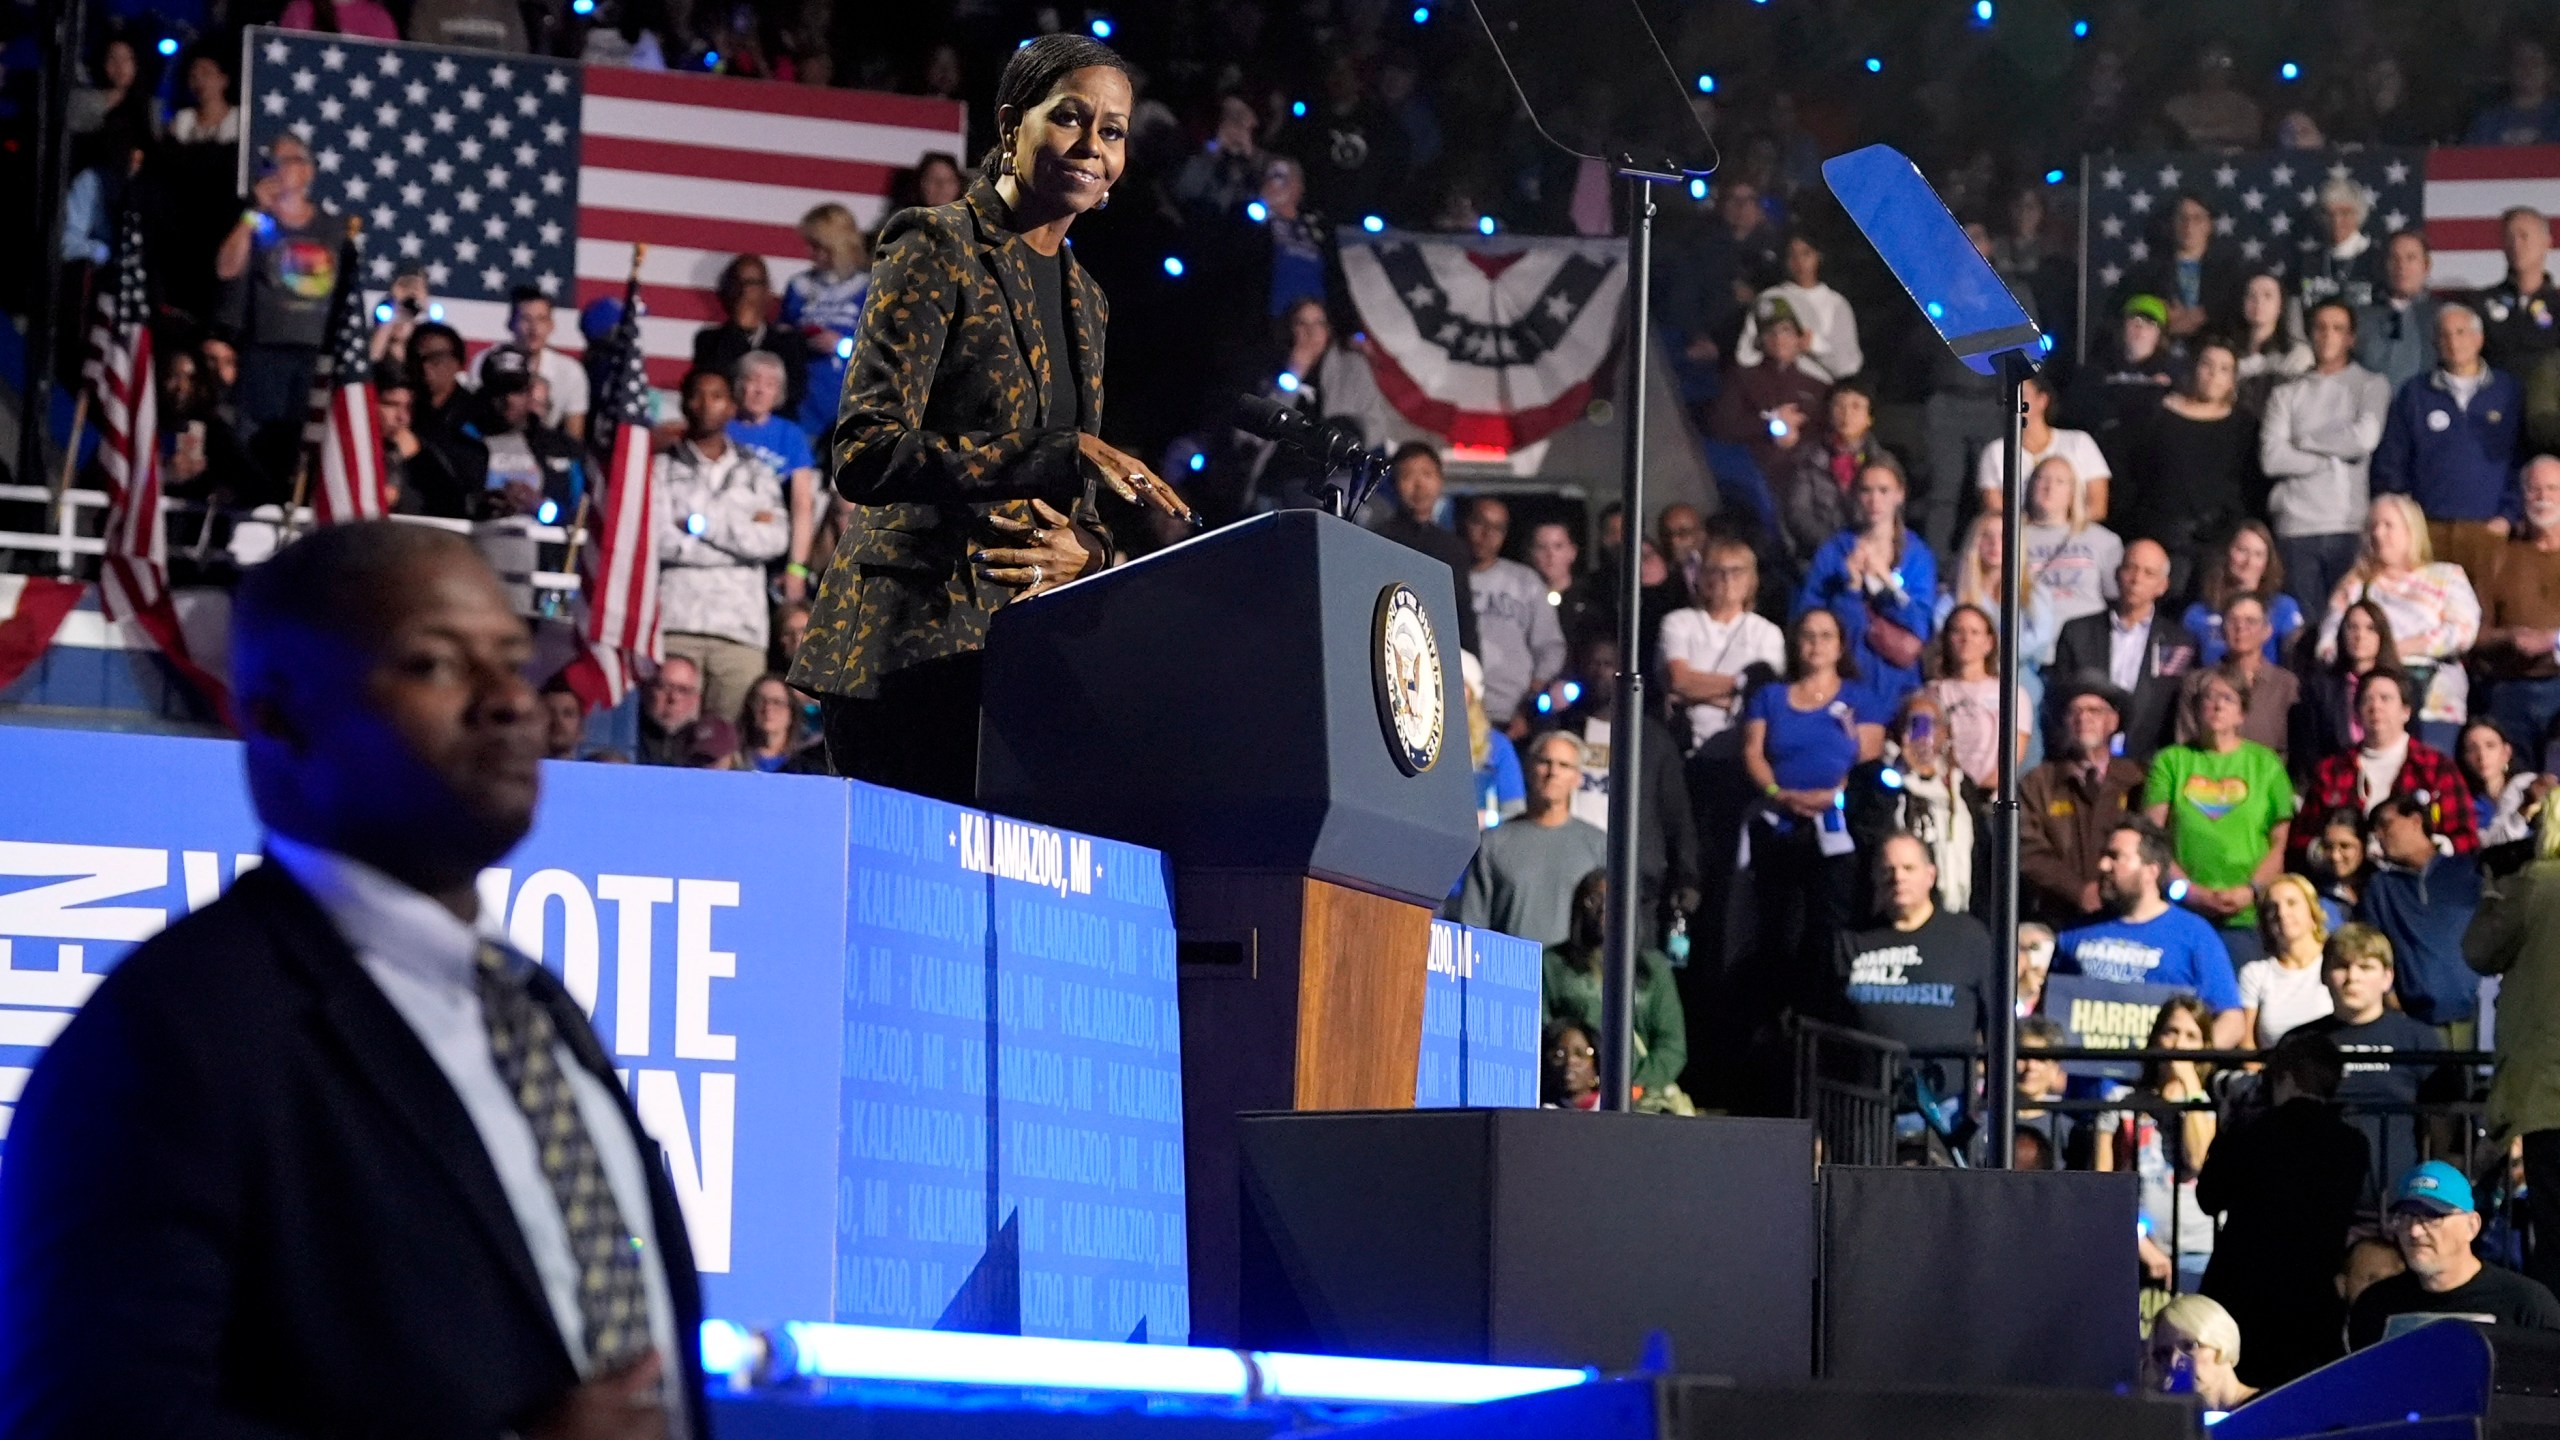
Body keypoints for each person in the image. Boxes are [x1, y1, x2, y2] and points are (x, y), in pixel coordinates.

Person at [0, 524, 708, 1436]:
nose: (507, 702)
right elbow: (85, 1421)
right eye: (434, 664)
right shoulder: (171, 1038)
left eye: (512, 661)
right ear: (281, 716)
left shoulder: (536, 1007)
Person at [789, 36, 1190, 802]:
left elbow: (1071, 504)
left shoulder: (1087, 299)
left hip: (1017, 667)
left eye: (1112, 130)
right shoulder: (934, 245)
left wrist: (1092, 552)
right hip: (906, 656)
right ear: (1011, 127)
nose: (1092, 145)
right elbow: (866, 453)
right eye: (1070, 118)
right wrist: (1056, 449)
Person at [2196, 1032, 2370, 1389]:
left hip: (2243, 1287)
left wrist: (2228, 1127)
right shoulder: (2352, 1144)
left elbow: (2209, 1197)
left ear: (2286, 1078)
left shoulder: (2253, 1132)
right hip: (2312, 1295)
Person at [1743, 607, 1887, 1014]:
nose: (1816, 644)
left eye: (1826, 636)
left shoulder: (1861, 699)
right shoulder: (1769, 697)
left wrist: (1834, 794)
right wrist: (1779, 793)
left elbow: (1868, 761)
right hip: (1780, 828)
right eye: (1808, 635)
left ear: (1840, 645)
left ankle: (1825, 1015)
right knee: (1777, 928)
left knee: (1828, 928)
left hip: (1837, 832)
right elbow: (1753, 752)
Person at [654, 367, 788, 723]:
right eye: (697, 396)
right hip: (676, 623)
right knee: (669, 738)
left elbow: (774, 539)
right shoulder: (660, 469)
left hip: (739, 631)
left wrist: (701, 526)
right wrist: (740, 537)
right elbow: (659, 540)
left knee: (726, 744)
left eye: (716, 397)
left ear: (731, 407)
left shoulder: (758, 472)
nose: (705, 405)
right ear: (684, 404)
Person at [2469, 799, 2560, 1296]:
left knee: (2555, 1242)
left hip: (2550, 1098)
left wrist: (2492, 890)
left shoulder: (2536, 884)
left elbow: (2479, 951)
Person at [2054, 819, 2246, 1047]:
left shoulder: (2194, 935)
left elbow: (2232, 1020)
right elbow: (2048, 1010)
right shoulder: (2075, 932)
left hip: (2154, 1080)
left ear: (2151, 870)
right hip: (2081, 1080)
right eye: (2104, 855)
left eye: (2116, 857)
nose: (2103, 865)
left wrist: (2190, 1063)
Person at [2147, 669, 2293, 968]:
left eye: (2227, 698)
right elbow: (2152, 838)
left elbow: (2280, 844)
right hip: (2182, 911)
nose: (2217, 705)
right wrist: (2189, 891)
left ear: (2242, 713)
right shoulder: (2170, 761)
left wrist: (2249, 892)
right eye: (2208, 698)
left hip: (2246, 918)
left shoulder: (2266, 765)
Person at [1554, 632, 1699, 928]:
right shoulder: (1562, 730)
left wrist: (1687, 875)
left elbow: (1676, 814)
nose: (1600, 671)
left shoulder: (1652, 739)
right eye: (1593, 664)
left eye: (1609, 664)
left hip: (1633, 878)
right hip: (1568, 871)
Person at [2314, 497, 2484, 751]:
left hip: (2433, 702)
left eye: (2388, 525)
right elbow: (2327, 647)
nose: (2378, 534)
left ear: (2410, 531)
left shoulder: (2446, 577)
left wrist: (2396, 648)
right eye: (2373, 526)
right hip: (2371, 702)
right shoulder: (2355, 585)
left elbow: (2463, 632)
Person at [1841, 831, 1992, 1113]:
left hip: (1946, 1109)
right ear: (1875, 877)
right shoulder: (1852, 940)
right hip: (1864, 1108)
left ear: (1930, 875)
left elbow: (1996, 1022)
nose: (1898, 877)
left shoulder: (1968, 938)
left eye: (1908, 868)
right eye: (1888, 869)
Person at [2372, 303, 2522, 586]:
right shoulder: (2414, 393)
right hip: (2429, 531)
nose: (2453, 341)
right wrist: (2409, 520)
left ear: (2479, 339)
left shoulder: (2508, 391)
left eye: (2461, 332)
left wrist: (2508, 515)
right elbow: (2393, 460)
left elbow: (2520, 458)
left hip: (2489, 530)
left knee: (2487, 619)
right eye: (2445, 335)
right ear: (2435, 343)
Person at [2293, 921, 2449, 1193]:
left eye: (2365, 967)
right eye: (2341, 966)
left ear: (2387, 977)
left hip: (2398, 1208)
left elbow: (2443, 1127)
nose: (2353, 977)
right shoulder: (2299, 1043)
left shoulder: (2419, 1040)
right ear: (2324, 974)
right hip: (2313, 1203)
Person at [2263, 299, 2393, 616]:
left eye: (2337, 329)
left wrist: (2303, 441)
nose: (2327, 336)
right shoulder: (2286, 393)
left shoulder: (2371, 385)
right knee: (2303, 631)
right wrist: (2329, 458)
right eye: (2320, 328)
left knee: (2348, 623)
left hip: (2348, 525)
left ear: (2351, 338)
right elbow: (2272, 458)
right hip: (2296, 528)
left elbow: (2364, 439)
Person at [2349, 1160, 2560, 1348]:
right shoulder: (2376, 1305)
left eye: (2432, 1217)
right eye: (2405, 1217)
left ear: (2471, 1226)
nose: (2414, 1231)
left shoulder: (2526, 1305)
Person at [214, 133, 336, 438]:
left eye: (287, 161)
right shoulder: (254, 218)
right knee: (256, 445)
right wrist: (255, 212)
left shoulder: (333, 229)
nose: (278, 169)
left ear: (308, 171)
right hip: (264, 352)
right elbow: (226, 269)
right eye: (272, 162)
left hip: (314, 356)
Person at [2119, 339, 2260, 595]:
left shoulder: (2245, 426)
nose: (2214, 375)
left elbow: (2247, 487)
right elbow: (2135, 474)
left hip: (2217, 544)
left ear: (2233, 379)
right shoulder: (2156, 415)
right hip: (2160, 536)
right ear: (2194, 368)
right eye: (2207, 364)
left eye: (2224, 369)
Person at [2295, 670, 2480, 865]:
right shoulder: (2331, 771)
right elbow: (2301, 841)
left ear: (2405, 712)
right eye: (2367, 700)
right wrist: (2333, 852)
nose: (2376, 706)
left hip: (2419, 884)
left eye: (2386, 698)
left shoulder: (2436, 767)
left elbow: (2466, 839)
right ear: (2357, 714)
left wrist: (2424, 849)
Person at [2100, 996, 2219, 1293]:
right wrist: (2140, 1243)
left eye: (2191, 1036)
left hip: (2197, 1251)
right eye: (2171, 1032)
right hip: (2135, 1247)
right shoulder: (2121, 1101)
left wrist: (2190, 1086)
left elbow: (2197, 1160)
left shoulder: (2207, 1106)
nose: (2179, 1043)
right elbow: (2102, 1185)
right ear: (2156, 1038)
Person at [1542, 870, 1689, 1112]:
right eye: (1594, 900)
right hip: (1573, 1100)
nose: (1603, 909)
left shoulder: (1654, 968)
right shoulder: (1553, 963)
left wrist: (1637, 1084)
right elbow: (1543, 1032)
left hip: (1641, 1099)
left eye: (1614, 900)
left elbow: (1671, 1045)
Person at [1796, 461, 1935, 704]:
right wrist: (1849, 588)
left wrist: (1886, 586)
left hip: (1898, 684)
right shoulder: (1834, 551)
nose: (1874, 500)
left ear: (1900, 495)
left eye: (1883, 491)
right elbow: (1807, 617)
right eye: (1866, 490)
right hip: (1843, 682)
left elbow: (1921, 625)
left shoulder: (1917, 555)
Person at [2051, 539, 2199, 765]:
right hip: (2080, 761)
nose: (2136, 579)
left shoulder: (2181, 642)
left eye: (2148, 573)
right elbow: (2060, 700)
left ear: (2162, 585)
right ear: (2118, 574)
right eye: (2131, 568)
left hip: (2149, 763)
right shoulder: (2077, 632)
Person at [1456, 732, 1610, 947]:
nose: (1553, 772)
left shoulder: (1600, 846)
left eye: (1564, 765)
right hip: (1507, 973)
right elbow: (1472, 924)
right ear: (1529, 769)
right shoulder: (1493, 842)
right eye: (1545, 762)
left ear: (1578, 778)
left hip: (1572, 977)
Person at [1847, 689, 1986, 922]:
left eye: (1932, 725)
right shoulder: (1873, 779)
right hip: (1894, 913)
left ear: (1945, 733)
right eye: (1915, 724)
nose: (1924, 735)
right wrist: (1901, 776)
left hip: (1957, 912)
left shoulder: (1961, 786)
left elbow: (1980, 853)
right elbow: (1868, 835)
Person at [2021, 676, 2149, 927]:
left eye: (2095, 711)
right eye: (2074, 711)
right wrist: (2078, 890)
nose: (2083, 718)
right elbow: (2027, 850)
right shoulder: (2038, 782)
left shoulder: (2138, 778)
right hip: (2058, 918)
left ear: (2113, 722)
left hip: (2128, 918)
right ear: (2064, 722)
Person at [2361, 795, 2486, 1036]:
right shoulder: (2380, 887)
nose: (2378, 834)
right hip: (2414, 1025)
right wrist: (2391, 1002)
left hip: (2476, 1019)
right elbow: (2372, 948)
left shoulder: (2468, 871)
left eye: (2385, 824)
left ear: (2416, 821)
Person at [724, 350, 822, 604]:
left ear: (778, 393)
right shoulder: (721, 427)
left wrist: (796, 569)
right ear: (739, 384)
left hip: (771, 542)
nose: (760, 390)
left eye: (770, 385)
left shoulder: (790, 436)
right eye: (753, 380)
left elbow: (803, 503)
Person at [2476, 458, 2560, 753]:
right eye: (2534, 489)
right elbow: (2476, 633)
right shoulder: (2499, 556)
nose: (2543, 498)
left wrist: (2552, 640)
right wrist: (2511, 637)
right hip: (2511, 690)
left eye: (2552, 489)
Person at [1466, 497, 1568, 735]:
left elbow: (1550, 647)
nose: (1487, 534)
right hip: (1455, 711)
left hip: (1509, 717)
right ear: (1465, 523)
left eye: (1497, 528)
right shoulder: (1445, 573)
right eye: (1479, 523)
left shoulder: (1525, 581)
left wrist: (1529, 708)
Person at [1368, 443, 1478, 655]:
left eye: (1427, 474)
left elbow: (1463, 611)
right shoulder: (1379, 540)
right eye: (1408, 476)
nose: (1419, 485)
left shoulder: (1453, 547)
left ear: (1440, 480)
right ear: (1394, 484)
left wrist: (1473, 662)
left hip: (1444, 649)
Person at [1781, 382, 1899, 574]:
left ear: (1869, 417)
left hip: (1873, 557)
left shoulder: (1883, 463)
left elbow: (1892, 514)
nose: (1846, 414)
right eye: (1839, 405)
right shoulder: (1808, 458)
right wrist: (1838, 548)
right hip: (1818, 558)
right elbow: (1798, 513)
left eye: (1856, 406)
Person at [1712, 301, 1833, 481]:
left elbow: (1827, 437)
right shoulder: (1741, 378)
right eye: (1770, 332)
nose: (1778, 339)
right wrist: (1771, 425)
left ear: (1799, 337)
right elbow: (1721, 426)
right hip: (1755, 475)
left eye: (1786, 330)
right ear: (1760, 340)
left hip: (1808, 476)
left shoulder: (1818, 387)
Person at [783, 202, 872, 439]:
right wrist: (803, 342)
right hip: (805, 402)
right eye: (811, 246)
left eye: (819, 246)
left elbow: (889, 350)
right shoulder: (799, 287)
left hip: (852, 403)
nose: (812, 254)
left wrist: (843, 345)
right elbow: (781, 338)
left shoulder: (870, 288)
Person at [1928, 600, 2035, 791]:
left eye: (1974, 632)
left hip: (1990, 798)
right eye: (1958, 631)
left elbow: (2014, 754)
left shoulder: (2012, 694)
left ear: (1989, 642)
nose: (1966, 638)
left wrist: (1982, 792)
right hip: (1944, 794)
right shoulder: (1932, 693)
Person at [2175, 595, 2297, 759]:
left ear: (2267, 631)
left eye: (2251, 621)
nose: (2241, 627)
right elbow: (2185, 743)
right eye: (2233, 620)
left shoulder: (2285, 684)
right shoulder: (2197, 682)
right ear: (2222, 629)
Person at [1979, 374, 2112, 522]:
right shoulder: (1996, 451)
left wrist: (2057, 529)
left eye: (2021, 395)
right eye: (2007, 397)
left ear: (2042, 400)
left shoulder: (2079, 442)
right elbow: (1995, 511)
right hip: (2023, 539)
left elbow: (2098, 506)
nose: (2013, 402)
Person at [1733, 233, 1862, 383]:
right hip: (1770, 388)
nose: (1799, 261)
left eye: (1806, 253)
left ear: (1818, 256)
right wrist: (1769, 344)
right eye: (1792, 255)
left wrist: (1815, 347)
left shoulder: (1837, 304)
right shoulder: (1770, 298)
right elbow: (1744, 355)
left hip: (1819, 393)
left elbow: (1848, 367)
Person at [691, 254, 807, 419]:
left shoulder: (789, 342)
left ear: (767, 291)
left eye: (752, 283)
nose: (744, 290)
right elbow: (712, 388)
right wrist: (738, 331)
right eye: (737, 283)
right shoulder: (709, 340)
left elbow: (793, 394)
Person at [2122, 192, 2246, 340]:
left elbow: (2238, 316)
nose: (2189, 225)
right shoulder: (2146, 272)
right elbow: (2126, 316)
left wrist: (2205, 315)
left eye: (2197, 218)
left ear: (2209, 225)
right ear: (2172, 223)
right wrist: (2164, 321)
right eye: (2182, 218)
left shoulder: (2230, 272)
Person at [2295, 600, 2400, 775]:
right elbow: (2311, 749)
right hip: (2337, 779)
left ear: (2381, 636)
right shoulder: (2321, 688)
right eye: (2352, 627)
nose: (2360, 635)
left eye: (2370, 628)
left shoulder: (2400, 686)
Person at [470, 287, 590, 439]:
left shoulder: (571, 372)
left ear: (551, 325)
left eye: (541, 319)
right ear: (510, 323)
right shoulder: (487, 361)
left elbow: (574, 440)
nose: (534, 329)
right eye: (525, 319)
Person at [2022, 456, 2124, 629]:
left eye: (2060, 482)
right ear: (2030, 486)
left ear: (2073, 492)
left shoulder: (2104, 540)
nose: (2049, 487)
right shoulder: (2007, 538)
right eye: (2042, 479)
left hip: (2085, 641)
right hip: (2029, 639)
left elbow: (2118, 597)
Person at [2184, 523, 2304, 666]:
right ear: (2227, 553)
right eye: (2242, 550)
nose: (2249, 562)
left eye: (2258, 554)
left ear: (2267, 563)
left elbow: (2297, 661)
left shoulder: (2284, 608)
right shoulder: (2197, 614)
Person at [2237, 874, 2336, 1048]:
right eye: (2272, 908)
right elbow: (2247, 1043)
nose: (2282, 913)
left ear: (2312, 912)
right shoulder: (2255, 973)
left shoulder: (2337, 962)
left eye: (2291, 903)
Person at [2479, 207, 2560, 380]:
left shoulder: (2558, 305)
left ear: (2547, 243)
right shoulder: (2479, 304)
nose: (2516, 244)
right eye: (2509, 237)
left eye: (2524, 236)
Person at [2357, 231, 2443, 394]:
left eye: (2410, 258)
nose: (2401, 266)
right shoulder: (2361, 317)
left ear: (2426, 266)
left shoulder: (2442, 317)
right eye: (2394, 258)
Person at [2143, 1294, 2263, 1410]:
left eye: (2189, 1346)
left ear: (2222, 1341)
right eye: (2164, 1353)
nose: (2173, 1362)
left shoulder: (2272, 1409)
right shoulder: (2174, 1425)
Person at [2299, 178, 2386, 314]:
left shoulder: (2378, 259)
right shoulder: (2309, 261)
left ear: (2359, 214)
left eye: (2345, 213)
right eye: (2329, 214)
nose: (2336, 220)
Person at [2234, 272, 2313, 411]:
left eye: (2268, 296)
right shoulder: (2229, 349)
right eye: (2252, 295)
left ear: (2280, 305)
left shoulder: (2297, 354)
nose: (2258, 302)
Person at [2460, 719, 2544, 848]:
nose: (2482, 755)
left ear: (2506, 752)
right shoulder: (2466, 805)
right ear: (2464, 757)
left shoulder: (2527, 784)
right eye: (2472, 748)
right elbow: (2488, 847)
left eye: (2490, 745)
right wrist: (2521, 813)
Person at [739, 673, 818, 772]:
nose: (768, 708)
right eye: (760, 701)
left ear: (791, 712)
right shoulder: (732, 761)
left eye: (777, 702)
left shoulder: (808, 766)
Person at [636, 654, 704, 768]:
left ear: (696, 698)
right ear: (647, 689)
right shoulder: (627, 734)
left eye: (683, 690)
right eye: (665, 687)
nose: (673, 698)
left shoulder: (706, 743)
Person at [1541, 1019, 1601, 1110]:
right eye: (1559, 1054)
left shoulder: (1612, 1108)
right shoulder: (1542, 1113)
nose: (1570, 1061)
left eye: (1580, 1054)